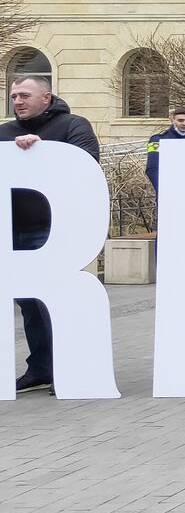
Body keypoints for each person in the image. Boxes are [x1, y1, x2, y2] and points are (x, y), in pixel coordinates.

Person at [1, 76, 99, 395]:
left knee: (57, 304)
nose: (17, 101)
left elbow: (86, 168)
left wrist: (41, 154)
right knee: (29, 305)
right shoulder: (4, 133)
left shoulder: (72, 126)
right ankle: (40, 368)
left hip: (57, 232)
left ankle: (68, 368)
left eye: (25, 95)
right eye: (13, 96)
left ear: (46, 97)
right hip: (15, 233)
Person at [144, 108, 185, 191]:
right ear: (172, 120)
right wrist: (163, 190)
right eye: (180, 120)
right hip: (166, 191)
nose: (184, 123)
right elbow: (152, 169)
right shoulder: (157, 140)